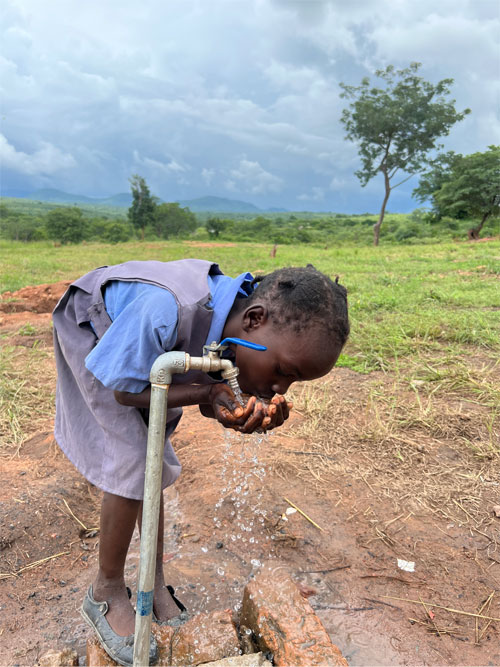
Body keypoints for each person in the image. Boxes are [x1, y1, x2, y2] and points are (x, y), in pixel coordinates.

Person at [52, 258, 349, 665]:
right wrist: (207, 394)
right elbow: (125, 390)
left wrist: (238, 412)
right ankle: (105, 592)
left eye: (293, 382)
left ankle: (152, 583)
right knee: (133, 459)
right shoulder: (167, 309)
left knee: (151, 456)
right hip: (95, 328)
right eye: (283, 371)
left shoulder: (238, 330)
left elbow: (212, 395)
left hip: (147, 343)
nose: (280, 386)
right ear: (255, 319)